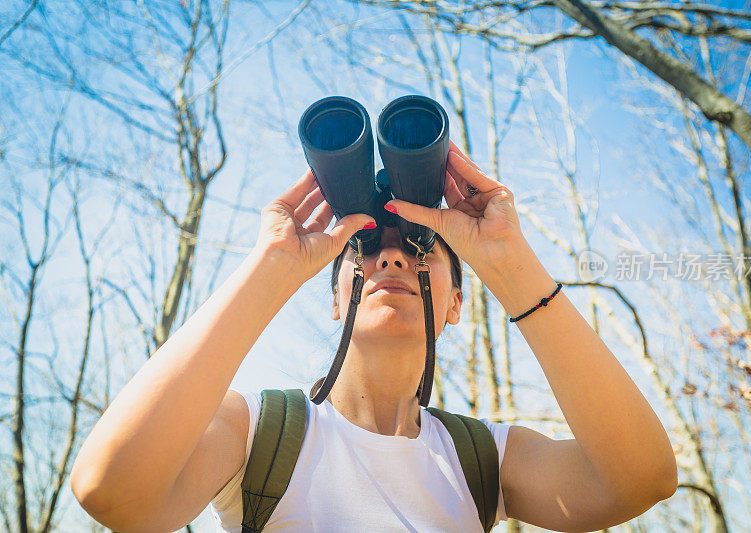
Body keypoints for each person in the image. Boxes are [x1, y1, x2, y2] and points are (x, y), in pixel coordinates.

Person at [69, 141, 678, 532]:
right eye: (364, 250)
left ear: (457, 304)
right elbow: (113, 492)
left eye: (419, 249)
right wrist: (271, 268)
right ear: (337, 299)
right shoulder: (257, 433)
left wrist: (508, 261)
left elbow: (639, 481)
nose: (392, 260)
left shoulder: (484, 460)